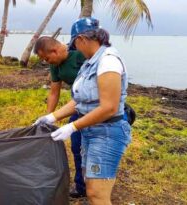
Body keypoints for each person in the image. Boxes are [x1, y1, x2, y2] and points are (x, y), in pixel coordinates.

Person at [34, 17, 131, 205]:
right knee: (91, 187)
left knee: (97, 194)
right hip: (91, 130)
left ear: (82, 39)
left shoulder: (108, 61)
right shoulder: (90, 63)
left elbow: (109, 107)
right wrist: (51, 116)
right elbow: (79, 101)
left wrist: (72, 126)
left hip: (107, 132)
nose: (74, 49)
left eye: (75, 44)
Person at [33, 36, 87, 198]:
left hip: (94, 104)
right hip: (77, 105)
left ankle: (97, 183)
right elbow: (54, 92)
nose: (47, 62)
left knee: (90, 146)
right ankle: (81, 186)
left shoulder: (79, 55)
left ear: (55, 50)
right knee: (76, 146)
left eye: (47, 58)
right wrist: (49, 117)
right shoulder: (55, 65)